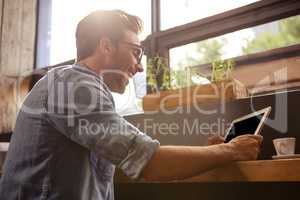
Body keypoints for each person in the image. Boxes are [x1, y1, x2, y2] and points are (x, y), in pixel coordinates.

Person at [0, 10, 262, 200]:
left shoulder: (79, 88)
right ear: (106, 46)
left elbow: (141, 153)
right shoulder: (72, 85)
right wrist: (230, 152)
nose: (138, 67)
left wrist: (210, 155)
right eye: (136, 52)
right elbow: (150, 162)